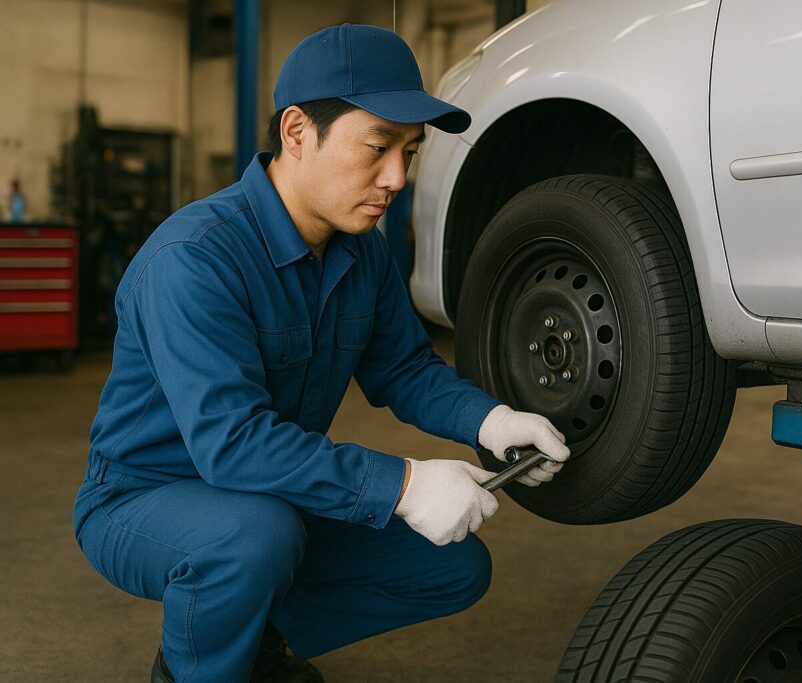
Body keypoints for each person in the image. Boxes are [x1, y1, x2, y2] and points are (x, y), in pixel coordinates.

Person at [72, 24, 570, 683]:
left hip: (267, 492)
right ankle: (196, 666)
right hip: (143, 498)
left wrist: (492, 421)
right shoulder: (193, 260)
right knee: (252, 537)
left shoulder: (361, 250)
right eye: (377, 147)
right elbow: (233, 443)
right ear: (297, 132)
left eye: (409, 152)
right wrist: (404, 484)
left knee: (451, 564)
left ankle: (250, 640)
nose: (396, 177)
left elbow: (404, 369)